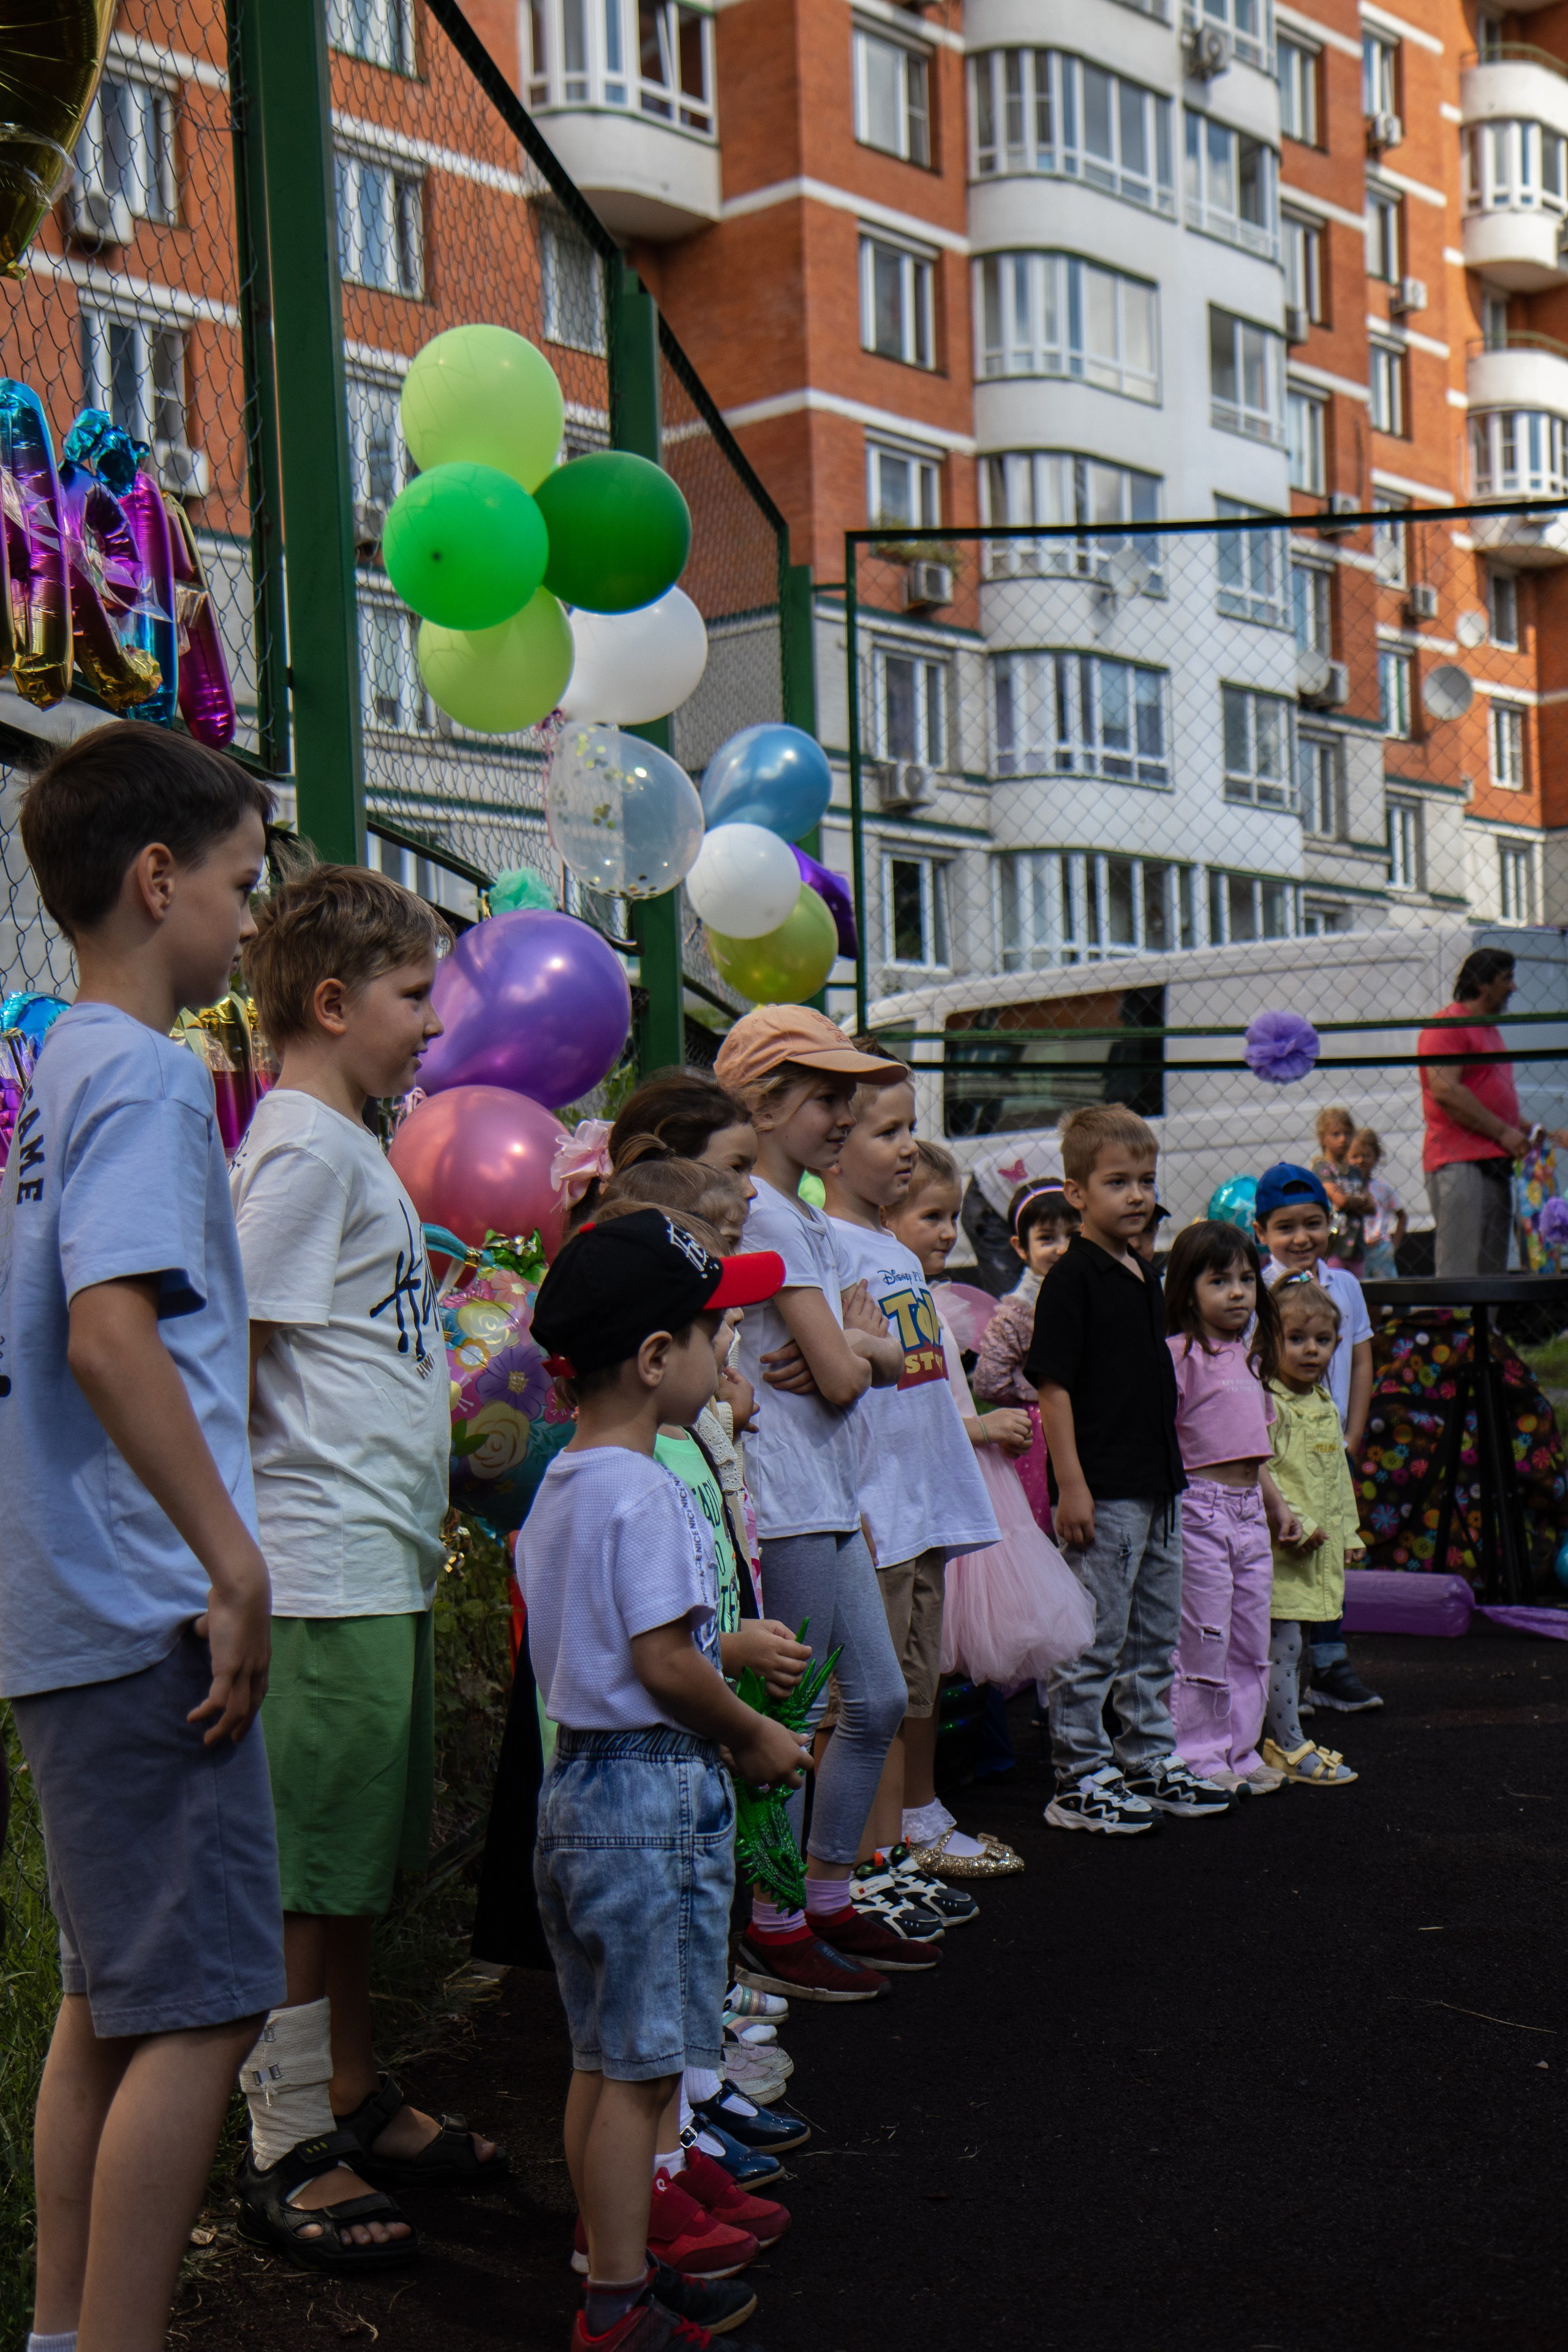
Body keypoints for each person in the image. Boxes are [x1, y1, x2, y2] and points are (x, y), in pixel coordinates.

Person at [0, 723, 285, 2352]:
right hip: (142, 1604)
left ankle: (66, 2328)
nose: (250, 922)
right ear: (157, 879)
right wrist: (230, 1564)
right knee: (212, 2002)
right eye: (241, 885)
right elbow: (113, 1335)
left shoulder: (57, 1074)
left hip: (71, 1597)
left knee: (115, 1998)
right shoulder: (152, 1079)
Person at [229, 867, 507, 2269]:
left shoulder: (349, 1146)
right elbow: (242, 1357)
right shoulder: (295, 1148)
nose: (430, 1031)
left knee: (348, 1872)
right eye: (414, 1000)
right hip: (319, 1567)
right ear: (332, 1005)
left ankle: (344, 2085)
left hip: (377, 1563)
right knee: (304, 1875)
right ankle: (282, 2138)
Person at [519, 1208, 810, 2352]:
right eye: (709, 1333)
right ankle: (615, 2308)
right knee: (640, 2074)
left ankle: (615, 2265)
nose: (721, 1351)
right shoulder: (643, 1493)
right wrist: (752, 1735)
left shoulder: (563, 1482)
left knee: (603, 2060)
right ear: (653, 1359)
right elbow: (663, 1661)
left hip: (580, 1792)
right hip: (646, 1797)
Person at [711, 1006, 919, 2003]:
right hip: (790, 1494)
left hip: (826, 1488)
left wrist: (866, 1349)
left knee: (872, 1700)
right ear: (762, 1101)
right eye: (826, 1096)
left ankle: (825, 1895)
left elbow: (876, 1354)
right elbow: (844, 1373)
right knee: (790, 1713)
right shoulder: (758, 1209)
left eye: (848, 1096)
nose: (846, 1113)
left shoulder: (800, 1216)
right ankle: (778, 1917)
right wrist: (863, 1351)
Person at [1025, 1103, 1232, 1835]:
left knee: (1152, 1633)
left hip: (1157, 1486)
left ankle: (1146, 1755)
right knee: (1094, 1634)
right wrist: (1071, 1484)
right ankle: (1077, 1773)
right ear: (1076, 1193)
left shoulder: (1143, 1272)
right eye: (1117, 1182)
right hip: (1104, 1490)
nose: (1137, 1195)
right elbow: (1053, 1387)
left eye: (1145, 1180)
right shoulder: (1072, 1279)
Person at [820, 1067, 1000, 1904]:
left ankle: (894, 1847)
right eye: (887, 1132)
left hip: (921, 1505)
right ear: (831, 1139)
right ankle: (863, 1863)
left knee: (911, 1686)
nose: (907, 1149)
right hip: (878, 1511)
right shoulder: (828, 1248)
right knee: (868, 1700)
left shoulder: (889, 1250)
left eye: (908, 1128)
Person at [888, 1145, 1093, 1872]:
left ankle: (920, 1804)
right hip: (921, 1488)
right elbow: (907, 1407)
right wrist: (979, 1426)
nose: (947, 1232)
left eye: (950, 1216)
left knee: (926, 1668)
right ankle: (908, 1814)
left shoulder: (925, 1299)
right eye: (930, 1216)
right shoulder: (895, 1298)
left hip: (946, 1486)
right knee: (913, 1666)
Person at [1163, 1223, 1300, 1796]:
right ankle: (1198, 1753)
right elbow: (1166, 1436)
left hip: (1248, 1511)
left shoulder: (1250, 1359)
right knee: (1205, 1635)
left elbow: (1254, 1451)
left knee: (1250, 1634)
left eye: (1246, 1279)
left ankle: (1241, 1750)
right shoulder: (1179, 1355)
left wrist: (1277, 1505)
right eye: (1220, 1281)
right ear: (1187, 1290)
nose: (1238, 1292)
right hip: (1201, 1509)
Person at [1253, 1162, 1381, 1715]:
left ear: (1330, 1223)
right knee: (1284, 1549)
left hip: (1330, 1443)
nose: (1300, 1238)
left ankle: (1327, 1662)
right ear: (1262, 1233)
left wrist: (1353, 1433)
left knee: (1330, 1545)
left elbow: (1360, 1356)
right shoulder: (1254, 1287)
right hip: (1279, 1446)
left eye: (1312, 1224)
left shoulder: (1345, 1285)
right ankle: (1277, 1669)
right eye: (1285, 1227)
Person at [1260, 1276, 1365, 1787]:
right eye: (1296, 1338)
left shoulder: (1323, 1402)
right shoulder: (1271, 1403)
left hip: (1316, 1551)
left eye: (1321, 1341)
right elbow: (1265, 1473)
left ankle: (1281, 1733)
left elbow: (1338, 1476)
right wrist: (1297, 1520)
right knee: (1281, 1648)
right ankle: (1285, 1739)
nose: (1310, 1350)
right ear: (1269, 1340)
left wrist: (1349, 1532)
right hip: (1283, 1549)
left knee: (1293, 1646)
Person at [1419, 946, 1568, 1276]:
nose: (1513, 987)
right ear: (1482, 984)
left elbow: (1489, 1096)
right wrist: (1503, 1131)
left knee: (1492, 1264)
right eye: (1506, 979)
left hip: (1496, 1158)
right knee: (1460, 1263)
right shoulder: (1447, 1026)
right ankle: (1458, 1326)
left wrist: (1529, 1130)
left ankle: (1488, 1327)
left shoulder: (1488, 1028)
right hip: (1459, 1159)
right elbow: (1445, 1090)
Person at [973, 1185, 1079, 1529]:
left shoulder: (1091, 1292)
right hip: (1043, 1433)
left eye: (1073, 1236)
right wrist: (1031, 1397)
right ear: (1021, 1248)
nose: (1063, 1248)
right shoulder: (1018, 1313)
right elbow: (988, 1380)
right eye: (1047, 1239)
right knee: (1048, 1520)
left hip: (1088, 1423)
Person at [1310, 1106, 1372, 1274]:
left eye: (1347, 1133)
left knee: (1356, 1290)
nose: (1343, 1139)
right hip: (1334, 1247)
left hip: (1356, 1247)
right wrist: (1357, 1200)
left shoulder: (1355, 1171)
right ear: (1323, 1138)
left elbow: (1371, 1205)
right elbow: (1340, 1201)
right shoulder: (1322, 1169)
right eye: (1336, 1135)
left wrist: (1350, 1200)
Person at [1348, 1127, 1405, 1279]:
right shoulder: (1345, 1191)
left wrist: (1394, 1246)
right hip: (1355, 1249)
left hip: (1381, 1248)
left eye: (1366, 1155)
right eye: (1355, 1156)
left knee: (1386, 1291)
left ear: (1376, 1157)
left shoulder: (1383, 1188)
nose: (1361, 1160)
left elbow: (1402, 1216)